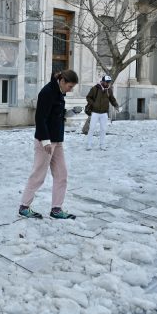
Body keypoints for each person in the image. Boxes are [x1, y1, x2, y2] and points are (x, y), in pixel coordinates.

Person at [19, 69, 79, 220]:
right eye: (70, 86)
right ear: (63, 81)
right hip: (45, 141)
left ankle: (56, 209)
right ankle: (24, 207)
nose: (70, 90)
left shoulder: (59, 92)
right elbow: (40, 118)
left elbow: (56, 114)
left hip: (57, 140)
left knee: (62, 174)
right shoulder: (47, 92)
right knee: (38, 174)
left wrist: (71, 112)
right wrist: (45, 141)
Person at [84, 75, 118, 150]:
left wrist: (116, 106)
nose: (108, 84)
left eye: (109, 82)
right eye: (106, 82)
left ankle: (102, 145)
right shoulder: (95, 88)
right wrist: (94, 104)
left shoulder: (109, 90)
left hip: (104, 113)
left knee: (103, 129)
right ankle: (89, 144)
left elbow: (112, 99)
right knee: (92, 128)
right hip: (95, 112)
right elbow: (88, 97)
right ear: (102, 81)